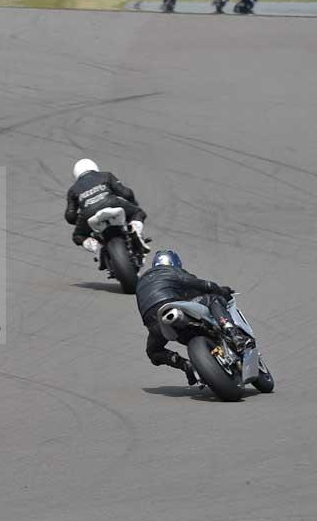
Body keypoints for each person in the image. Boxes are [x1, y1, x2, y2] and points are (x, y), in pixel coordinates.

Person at [135, 250, 241, 385]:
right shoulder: (171, 271)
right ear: (175, 263)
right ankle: (233, 332)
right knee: (213, 299)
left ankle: (186, 365)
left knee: (153, 351)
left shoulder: (141, 282)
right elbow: (204, 286)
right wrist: (222, 291)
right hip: (172, 305)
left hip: (153, 322)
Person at [64, 158, 150, 260]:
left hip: (88, 213)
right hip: (111, 203)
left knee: (78, 236)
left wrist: (80, 221)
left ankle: (94, 245)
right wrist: (132, 203)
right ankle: (135, 229)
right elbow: (127, 193)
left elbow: (70, 216)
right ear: (94, 167)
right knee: (138, 213)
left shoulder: (73, 190)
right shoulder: (105, 175)